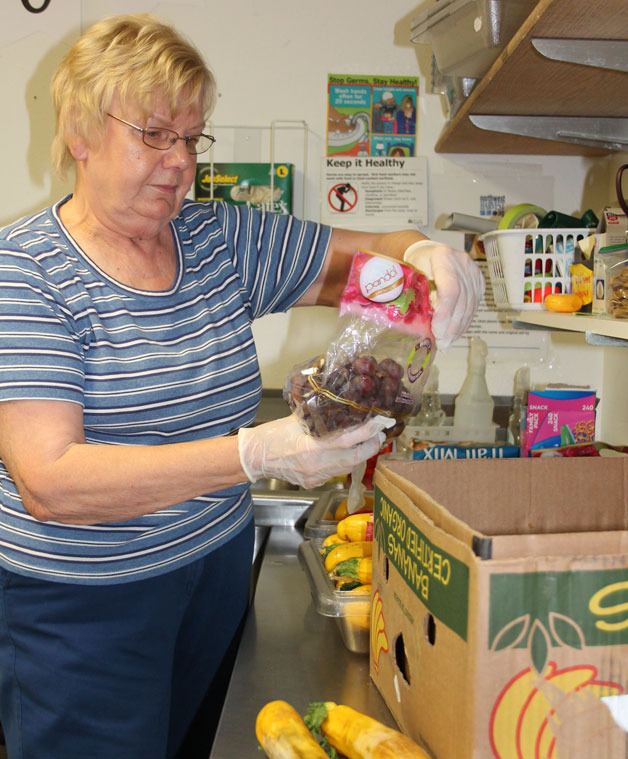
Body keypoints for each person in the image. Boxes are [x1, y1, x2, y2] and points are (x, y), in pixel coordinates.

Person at [0, 13, 484, 759]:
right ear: (80, 132)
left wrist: (425, 257)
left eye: (192, 139)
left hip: (212, 576)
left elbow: (369, 264)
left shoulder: (217, 240)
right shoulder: (26, 271)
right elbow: (51, 482)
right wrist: (255, 453)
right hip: (82, 612)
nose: (179, 163)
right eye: (154, 134)